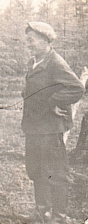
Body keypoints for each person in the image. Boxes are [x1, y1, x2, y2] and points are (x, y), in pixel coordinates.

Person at [21, 21, 85, 224]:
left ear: (45, 41)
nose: (28, 44)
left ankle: (58, 218)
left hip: (50, 130)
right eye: (27, 41)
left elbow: (76, 88)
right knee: (37, 171)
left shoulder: (56, 62)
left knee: (55, 174)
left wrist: (53, 102)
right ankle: (43, 213)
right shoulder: (34, 62)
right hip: (34, 128)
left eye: (31, 41)